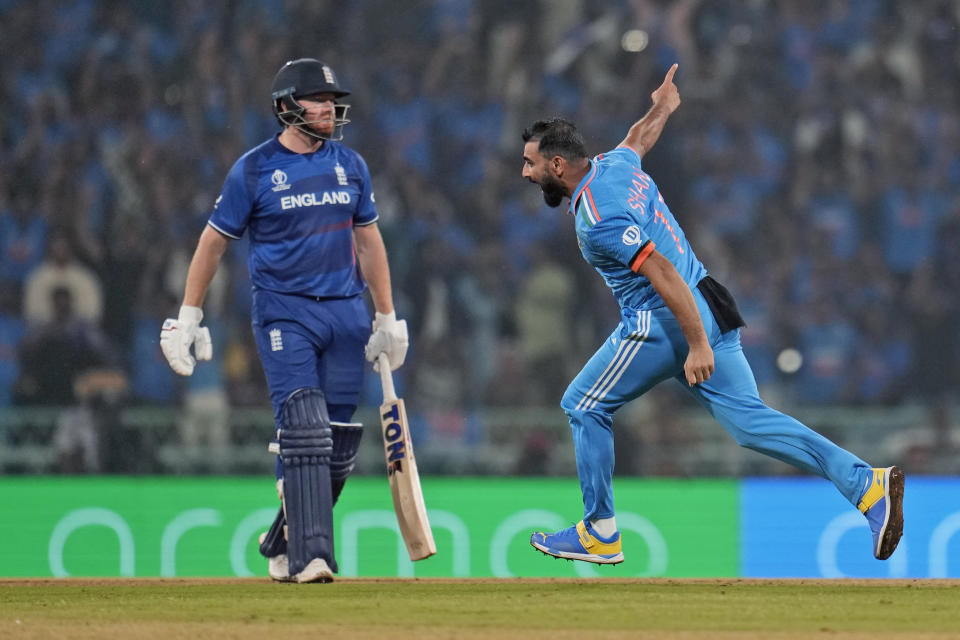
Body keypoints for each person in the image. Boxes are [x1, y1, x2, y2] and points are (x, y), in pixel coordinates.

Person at [520, 64, 904, 565]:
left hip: (666, 320)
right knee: (750, 425)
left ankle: (599, 531)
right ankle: (866, 486)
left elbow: (659, 270)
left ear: (556, 166)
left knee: (583, 405)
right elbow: (640, 136)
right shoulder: (614, 164)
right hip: (710, 298)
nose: (524, 173)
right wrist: (665, 105)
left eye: (529, 163)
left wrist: (696, 342)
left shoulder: (597, 217)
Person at [161, 58, 408, 583]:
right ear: (285, 107)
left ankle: (279, 539)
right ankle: (311, 557)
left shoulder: (352, 165)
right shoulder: (252, 170)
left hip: (346, 312)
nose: (328, 107)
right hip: (284, 313)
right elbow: (212, 243)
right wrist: (189, 314)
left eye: (331, 99)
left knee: (337, 446)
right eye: (316, 99)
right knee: (305, 430)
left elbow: (368, 242)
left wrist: (387, 316)